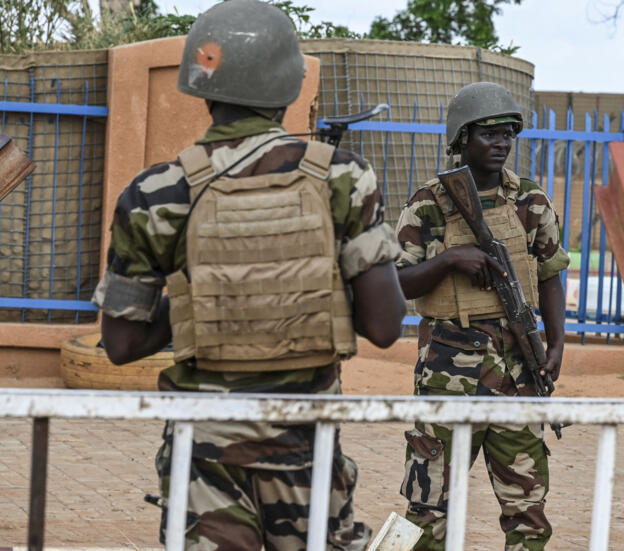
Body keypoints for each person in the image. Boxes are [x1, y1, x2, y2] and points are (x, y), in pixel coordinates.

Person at [90, 1, 406, 549]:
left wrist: (206, 299)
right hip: (306, 453)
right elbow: (384, 325)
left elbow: (120, 342)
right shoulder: (343, 177)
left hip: (203, 458)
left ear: (200, 82)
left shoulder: (155, 193)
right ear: (290, 86)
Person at [394, 81, 570, 550]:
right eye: (488, 134)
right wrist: (450, 260)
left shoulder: (530, 200)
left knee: (528, 511)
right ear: (462, 139)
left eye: (508, 134)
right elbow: (395, 283)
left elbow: (551, 273)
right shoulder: (429, 202)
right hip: (448, 371)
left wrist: (556, 344)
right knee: (427, 506)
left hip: (517, 371)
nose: (501, 143)